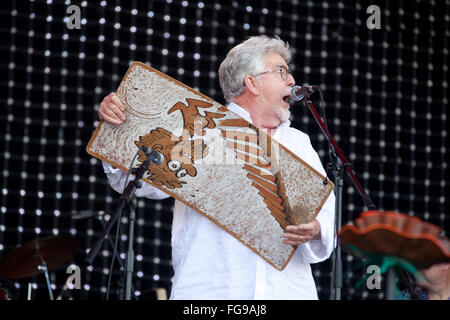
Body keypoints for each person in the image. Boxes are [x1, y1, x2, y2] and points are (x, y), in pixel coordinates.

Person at [98, 35, 336, 299]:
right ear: (252, 82)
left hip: (286, 290)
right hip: (212, 289)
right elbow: (135, 182)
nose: (292, 80)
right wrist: (117, 127)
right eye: (282, 71)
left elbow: (324, 214)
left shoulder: (298, 143)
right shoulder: (200, 130)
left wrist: (316, 228)